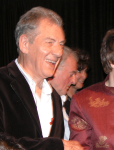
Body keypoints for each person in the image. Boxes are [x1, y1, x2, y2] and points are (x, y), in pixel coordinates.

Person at [0, 6, 83, 150]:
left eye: (61, 44)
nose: (58, 52)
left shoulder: (55, 97)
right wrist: (55, 146)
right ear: (25, 44)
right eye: (50, 42)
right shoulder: (2, 83)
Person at [48, 46, 78, 141]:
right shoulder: (38, 102)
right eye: (71, 74)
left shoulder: (66, 103)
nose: (74, 81)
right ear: (55, 70)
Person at [65, 49, 90, 115]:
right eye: (79, 71)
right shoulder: (60, 100)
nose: (84, 76)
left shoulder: (85, 100)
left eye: (85, 71)